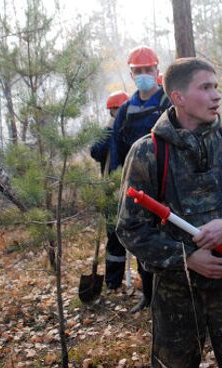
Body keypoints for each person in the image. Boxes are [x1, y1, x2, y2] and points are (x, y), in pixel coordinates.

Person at [116, 58, 222, 368]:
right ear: (178, 97)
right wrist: (187, 257)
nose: (216, 96)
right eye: (205, 88)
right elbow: (130, 229)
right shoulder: (148, 152)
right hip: (175, 295)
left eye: (216, 87)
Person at [109, 46, 171, 311]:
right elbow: (115, 147)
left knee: (168, 237)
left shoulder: (168, 102)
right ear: (131, 74)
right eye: (139, 71)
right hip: (136, 187)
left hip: (167, 181)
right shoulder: (125, 109)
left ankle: (169, 293)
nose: (144, 74)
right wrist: (116, 182)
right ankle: (148, 294)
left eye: (149, 69)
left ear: (157, 71)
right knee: (142, 239)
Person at [90, 91, 129, 292]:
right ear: (111, 111)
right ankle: (113, 282)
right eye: (115, 109)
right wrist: (108, 133)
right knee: (114, 238)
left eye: (121, 107)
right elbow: (95, 152)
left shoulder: (132, 128)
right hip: (111, 191)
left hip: (133, 190)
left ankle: (146, 283)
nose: (118, 111)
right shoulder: (106, 131)